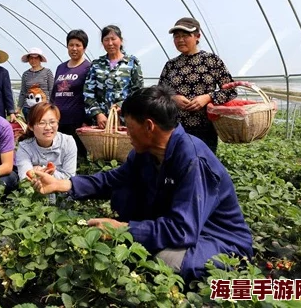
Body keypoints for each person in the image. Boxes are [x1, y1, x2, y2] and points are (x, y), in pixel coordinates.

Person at [29, 85, 253, 281]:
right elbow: (113, 179)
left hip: (218, 240)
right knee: (124, 193)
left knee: (165, 261)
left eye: (129, 126)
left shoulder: (193, 160)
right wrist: (62, 184)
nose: (126, 133)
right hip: (185, 228)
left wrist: (125, 229)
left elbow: (183, 228)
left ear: (149, 126)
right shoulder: (145, 151)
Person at [159, 17, 236, 153]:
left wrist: (208, 97)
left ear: (197, 36)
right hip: (175, 128)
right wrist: (173, 98)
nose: (180, 40)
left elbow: (231, 90)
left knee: (203, 165)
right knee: (178, 166)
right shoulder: (171, 65)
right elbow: (159, 93)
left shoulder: (212, 61)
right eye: (176, 37)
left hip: (205, 128)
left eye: (185, 36)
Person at [83, 25, 143, 129]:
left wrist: (121, 106)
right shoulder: (96, 64)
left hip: (124, 121)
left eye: (113, 39)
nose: (110, 43)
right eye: (106, 40)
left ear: (121, 40)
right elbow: (88, 93)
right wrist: (98, 114)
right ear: (102, 43)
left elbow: (138, 92)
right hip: (100, 124)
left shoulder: (132, 62)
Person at [16, 102, 77, 203]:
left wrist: (39, 170)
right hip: (35, 201)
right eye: (41, 123)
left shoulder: (68, 142)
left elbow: (70, 177)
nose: (48, 127)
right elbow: (24, 179)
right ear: (31, 126)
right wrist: (52, 173)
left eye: (52, 122)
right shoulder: (24, 147)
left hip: (63, 198)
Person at [50, 29, 90, 160]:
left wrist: (87, 120)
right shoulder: (61, 68)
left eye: (78, 45)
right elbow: (54, 93)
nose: (74, 48)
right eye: (71, 45)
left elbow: (90, 95)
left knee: (77, 157)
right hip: (59, 120)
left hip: (77, 122)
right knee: (57, 156)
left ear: (84, 47)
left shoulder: (88, 68)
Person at [17, 48, 54, 120]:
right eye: (31, 58)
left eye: (36, 58)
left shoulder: (47, 72)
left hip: (43, 108)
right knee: (30, 129)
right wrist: (18, 108)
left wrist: (51, 106)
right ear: (28, 60)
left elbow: (51, 90)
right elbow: (23, 92)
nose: (33, 60)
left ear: (40, 59)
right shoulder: (26, 74)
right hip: (28, 108)